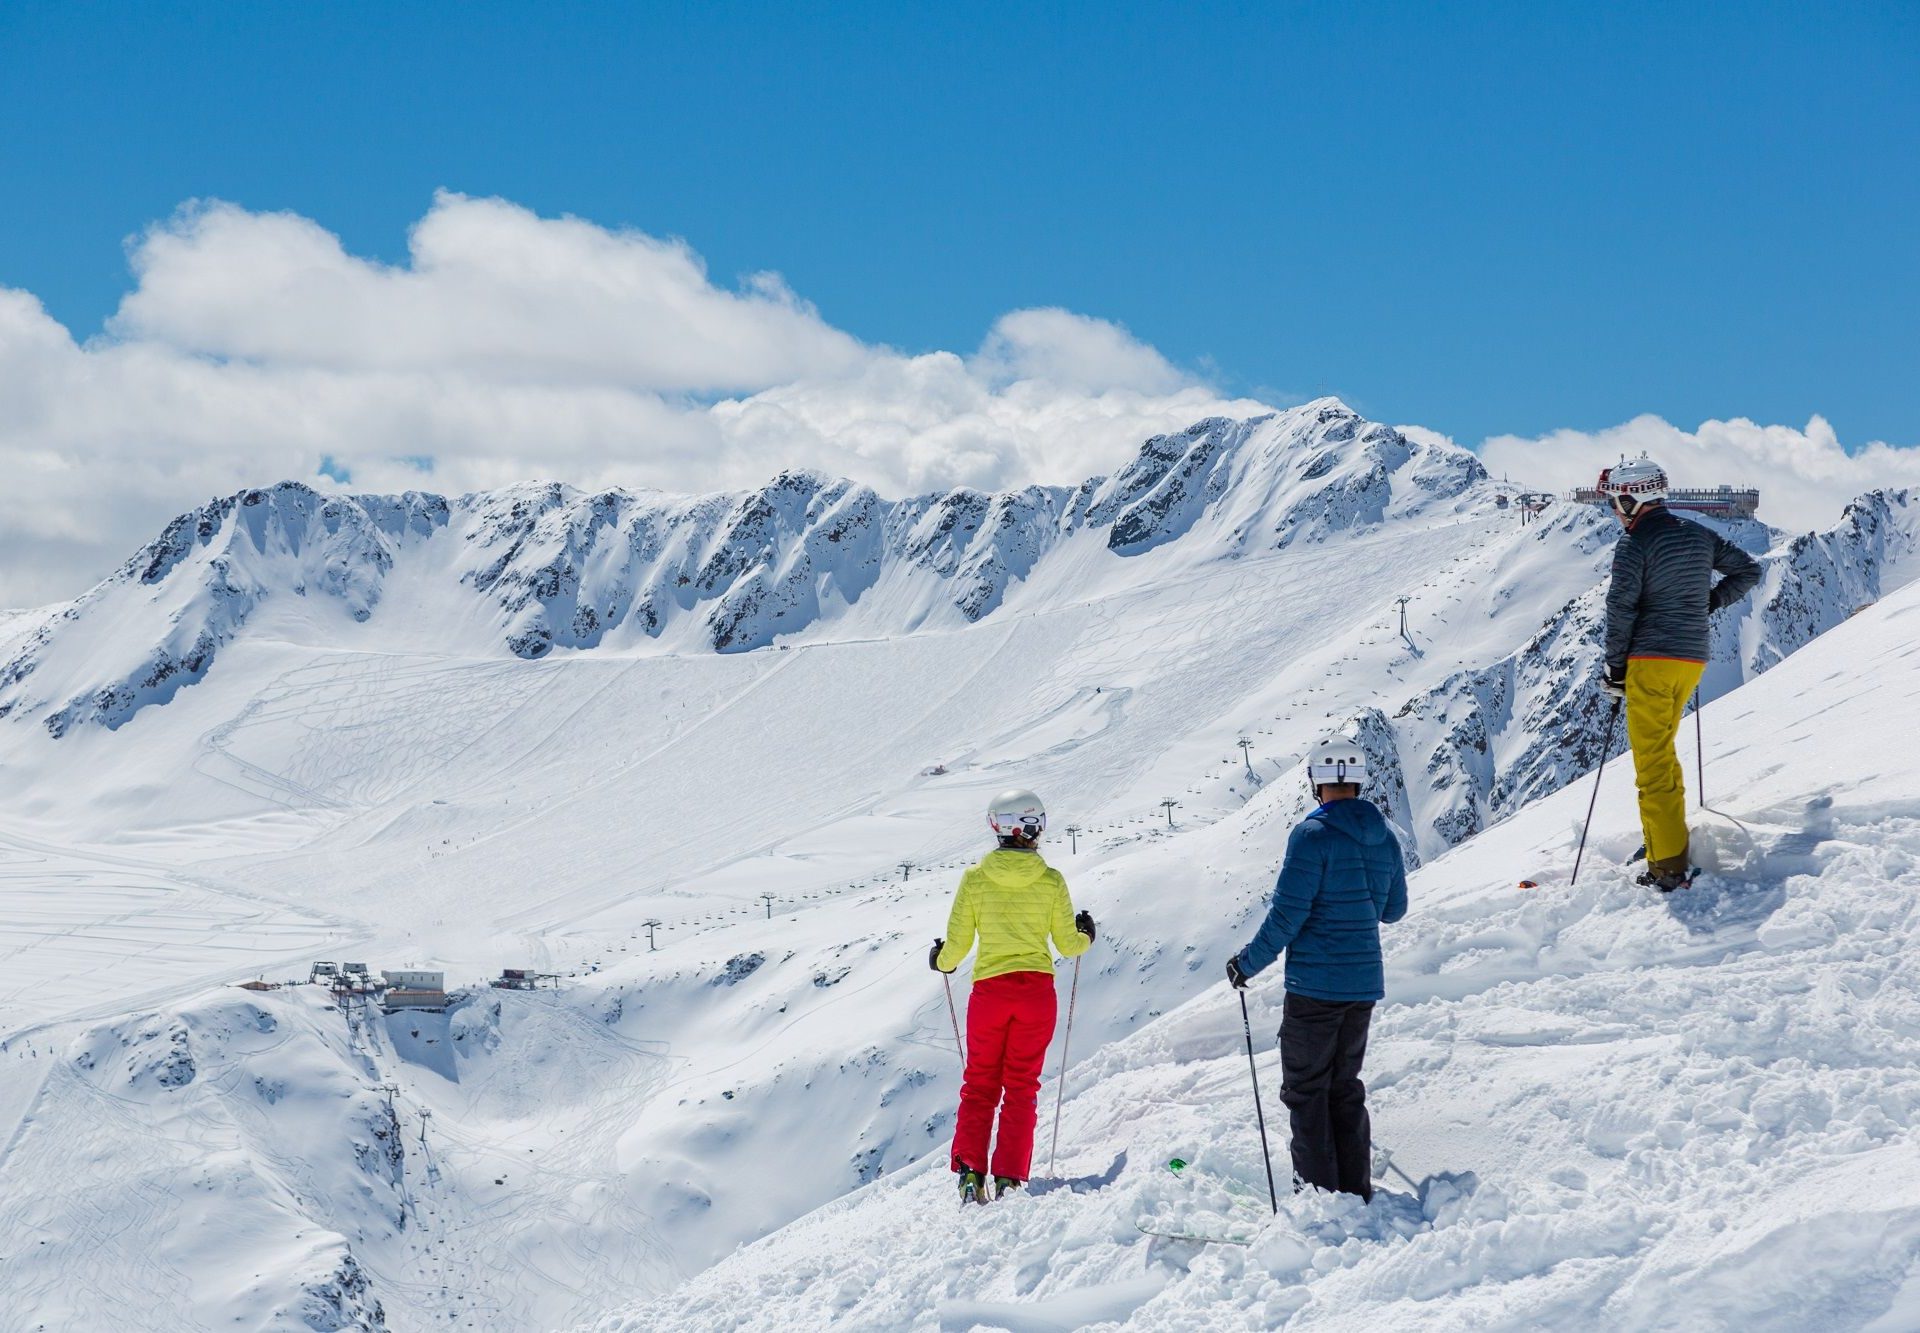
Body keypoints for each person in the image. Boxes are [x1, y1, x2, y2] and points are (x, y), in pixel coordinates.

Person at [1226, 737, 1407, 1201]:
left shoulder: (1310, 837)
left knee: (1306, 1092)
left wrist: (1246, 965)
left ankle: (1318, 1198)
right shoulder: (1384, 835)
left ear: (1316, 783)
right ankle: (1354, 1190)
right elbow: (1393, 910)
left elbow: (1288, 916)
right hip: (1363, 985)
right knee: (1344, 1088)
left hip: (1314, 988)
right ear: (1358, 780)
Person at [1596, 457, 1761, 891]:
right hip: (1691, 659)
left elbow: (1621, 608)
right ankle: (1665, 840)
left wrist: (1615, 668)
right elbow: (1748, 571)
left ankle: (1667, 866)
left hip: (1649, 659)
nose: (1615, 509)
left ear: (1634, 498)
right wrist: (1707, 603)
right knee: (1663, 754)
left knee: (1652, 766)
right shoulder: (1700, 535)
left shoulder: (1633, 545)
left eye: (1617, 500)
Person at [930, 788, 1095, 1204]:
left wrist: (941, 961)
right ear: (1034, 827)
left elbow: (957, 946)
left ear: (997, 829)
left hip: (990, 993)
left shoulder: (975, 880)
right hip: (1037, 993)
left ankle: (971, 1172)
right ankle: (1009, 1177)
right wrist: (1086, 934)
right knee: (1021, 1086)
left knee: (980, 1082)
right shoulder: (1051, 881)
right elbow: (1068, 944)